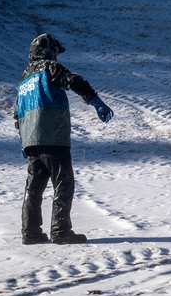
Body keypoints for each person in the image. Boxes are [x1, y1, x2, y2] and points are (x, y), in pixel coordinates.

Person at [14, 33, 113, 245]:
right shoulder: (49, 68)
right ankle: (61, 230)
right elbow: (73, 81)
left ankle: (30, 232)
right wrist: (97, 103)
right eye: (56, 52)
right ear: (49, 52)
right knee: (64, 182)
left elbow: (17, 114)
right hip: (53, 135)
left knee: (34, 188)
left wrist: (25, 139)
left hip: (31, 140)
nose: (57, 57)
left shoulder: (24, 80)